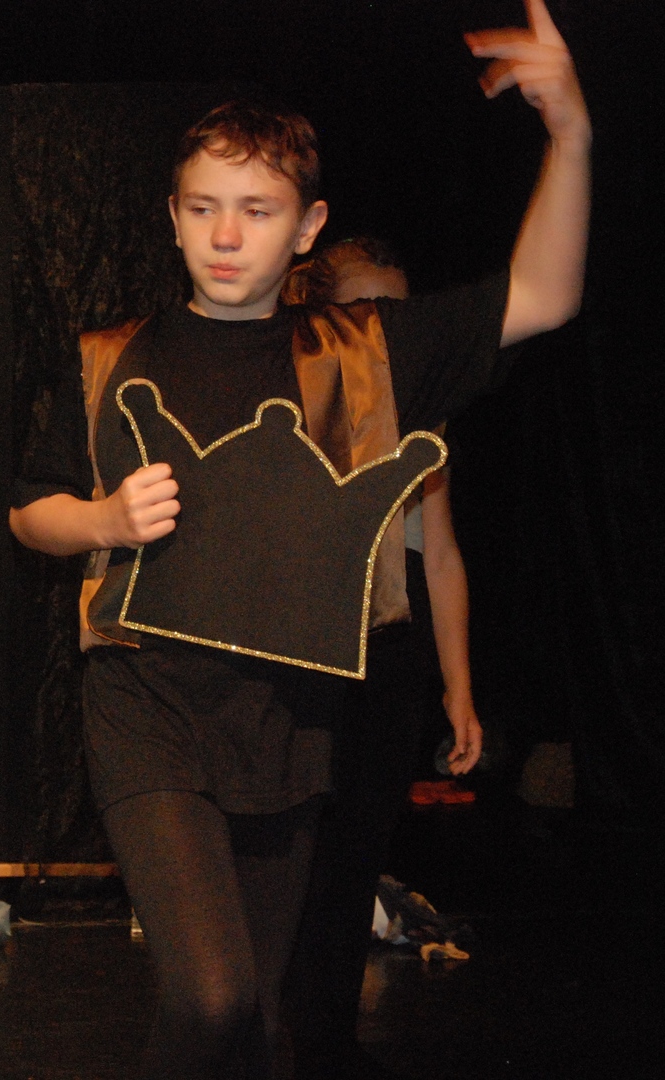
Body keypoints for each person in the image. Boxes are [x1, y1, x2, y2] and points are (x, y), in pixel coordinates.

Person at [10, 1, 588, 1075]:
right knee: (213, 992)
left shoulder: (367, 352)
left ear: (307, 226)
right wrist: (99, 519)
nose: (227, 236)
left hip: (290, 720)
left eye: (258, 210)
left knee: (252, 1020)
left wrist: (570, 135)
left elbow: (544, 296)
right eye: (204, 208)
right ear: (172, 217)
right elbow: (29, 507)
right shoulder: (110, 356)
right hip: (146, 705)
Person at [280, 239, 483, 1080]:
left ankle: (326, 1039)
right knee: (289, 847)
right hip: (299, 643)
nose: (379, 328)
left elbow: (438, 553)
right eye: (361, 310)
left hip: (389, 645)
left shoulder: (420, 405)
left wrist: (458, 689)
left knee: (355, 850)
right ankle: (261, 1028)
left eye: (393, 314)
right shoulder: (285, 394)